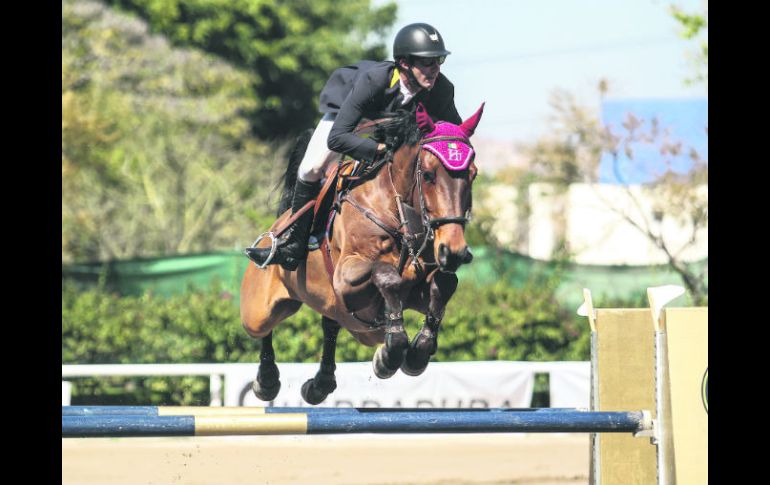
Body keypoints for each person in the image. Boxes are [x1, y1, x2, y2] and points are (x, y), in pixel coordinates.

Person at [245, 22, 462, 270]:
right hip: (351, 117)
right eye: (428, 63)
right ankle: (293, 243)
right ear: (404, 63)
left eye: (439, 62)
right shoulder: (374, 80)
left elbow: (453, 136)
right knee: (311, 168)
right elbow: (337, 138)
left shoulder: (442, 90)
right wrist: (378, 152)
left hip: (389, 125)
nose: (435, 69)